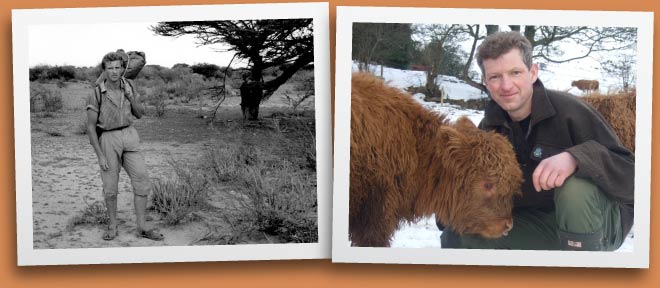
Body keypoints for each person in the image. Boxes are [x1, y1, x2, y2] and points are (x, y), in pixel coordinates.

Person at [439, 31, 634, 251]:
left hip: (601, 224)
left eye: (515, 72)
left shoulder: (571, 111)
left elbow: (631, 173)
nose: (506, 85)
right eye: (495, 77)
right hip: (541, 223)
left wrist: (576, 158)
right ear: (485, 81)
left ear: (533, 72)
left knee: (575, 188)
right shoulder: (488, 128)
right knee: (457, 237)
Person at [86, 51, 164, 241]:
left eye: (117, 67)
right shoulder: (97, 93)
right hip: (108, 138)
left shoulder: (128, 86)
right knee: (110, 187)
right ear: (104, 70)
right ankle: (112, 226)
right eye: (110, 68)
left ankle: (142, 227)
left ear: (123, 69)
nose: (114, 72)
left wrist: (131, 97)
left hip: (130, 134)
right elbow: (90, 127)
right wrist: (100, 156)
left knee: (142, 180)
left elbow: (139, 114)